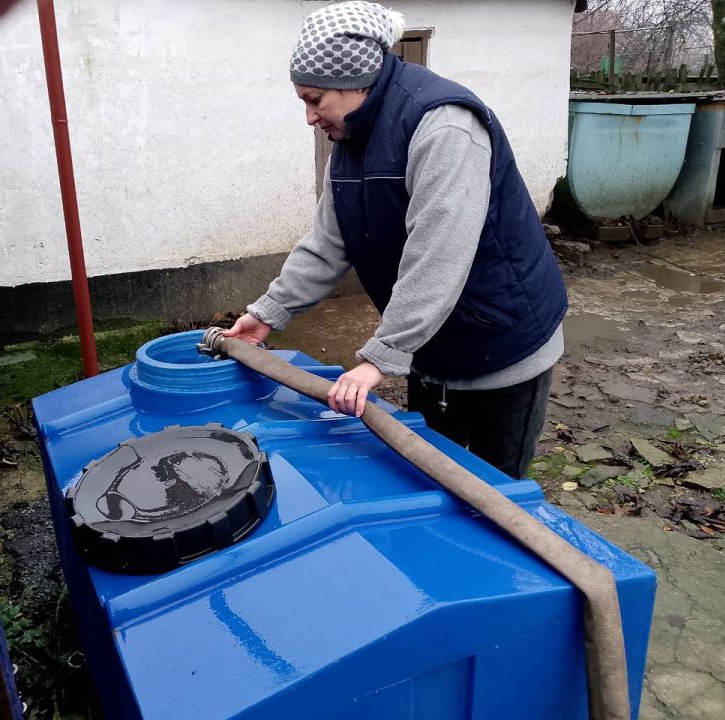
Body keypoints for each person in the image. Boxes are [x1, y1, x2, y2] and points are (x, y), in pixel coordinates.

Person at [223, 1, 567, 479]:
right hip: (432, 348)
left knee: (492, 490)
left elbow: (439, 253)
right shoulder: (349, 142)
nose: (308, 117)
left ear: (353, 83)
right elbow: (327, 242)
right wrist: (267, 314)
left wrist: (380, 358)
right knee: (431, 474)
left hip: (502, 339)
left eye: (315, 99)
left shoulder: (443, 125)